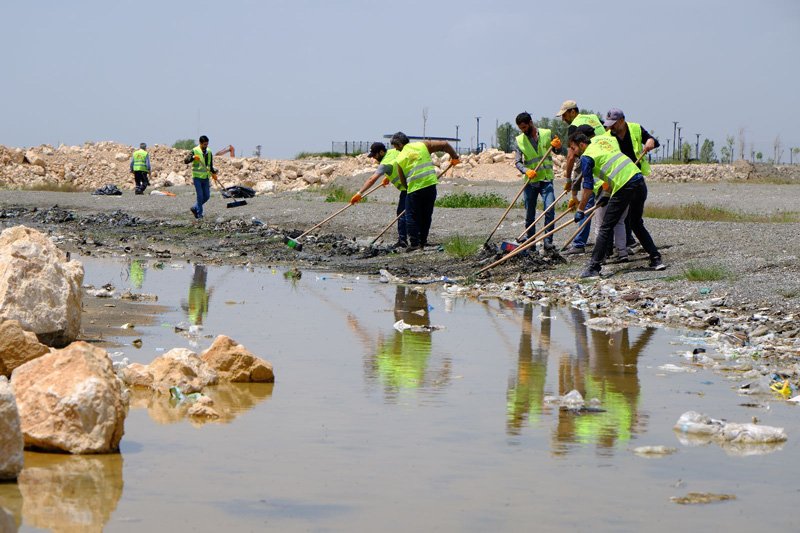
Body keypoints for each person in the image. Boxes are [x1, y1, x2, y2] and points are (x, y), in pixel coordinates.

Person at [568, 131, 666, 278]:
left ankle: (594, 267)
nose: (573, 153)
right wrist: (606, 196)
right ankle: (656, 259)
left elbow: (588, 187)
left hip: (624, 186)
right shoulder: (600, 144)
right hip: (638, 181)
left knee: (605, 227)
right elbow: (612, 171)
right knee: (636, 223)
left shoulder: (586, 157)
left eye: (573, 148)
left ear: (581, 145)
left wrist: (581, 209)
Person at [390, 132, 459, 251]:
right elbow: (445, 144)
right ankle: (422, 243)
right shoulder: (422, 145)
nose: (396, 150)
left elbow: (402, 180)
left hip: (414, 189)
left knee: (411, 216)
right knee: (426, 215)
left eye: (396, 147)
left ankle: (415, 244)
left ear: (400, 144)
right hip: (430, 185)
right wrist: (455, 157)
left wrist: (407, 190)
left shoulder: (400, 158)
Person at [603, 108, 660, 251]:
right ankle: (614, 247)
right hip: (619, 179)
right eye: (609, 124)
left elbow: (653, 141)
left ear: (622, 121)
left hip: (635, 177)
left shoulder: (635, 128)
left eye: (613, 124)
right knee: (617, 215)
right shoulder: (608, 136)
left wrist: (650, 141)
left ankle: (633, 244)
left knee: (633, 217)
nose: (611, 127)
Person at [555, 101, 605, 254]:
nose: (563, 119)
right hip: (606, 160)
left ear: (572, 112)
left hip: (592, 163)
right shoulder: (592, 118)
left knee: (587, 202)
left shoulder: (574, 126)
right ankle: (627, 242)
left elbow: (571, 157)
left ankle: (578, 244)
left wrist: (570, 182)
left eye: (564, 115)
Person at [513, 112, 562, 250]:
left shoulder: (547, 133)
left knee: (549, 209)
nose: (523, 130)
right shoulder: (519, 140)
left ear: (530, 123)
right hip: (531, 182)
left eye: (524, 127)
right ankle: (531, 244)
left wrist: (558, 146)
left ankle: (548, 242)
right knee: (530, 214)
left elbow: (558, 151)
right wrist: (526, 170)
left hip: (546, 180)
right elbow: (517, 162)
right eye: (520, 128)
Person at [351, 142, 408, 248]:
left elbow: (372, 179)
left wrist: (359, 193)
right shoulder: (393, 151)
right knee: (416, 213)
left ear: (381, 152)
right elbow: (398, 164)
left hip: (408, 189)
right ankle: (420, 239)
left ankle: (403, 240)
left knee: (402, 214)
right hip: (415, 183)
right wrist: (389, 176)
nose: (374, 158)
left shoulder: (385, 163)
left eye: (375, 155)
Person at [183, 135, 217, 219]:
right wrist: (193, 157)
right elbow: (185, 161)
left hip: (205, 177)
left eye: (207, 144)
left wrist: (213, 173)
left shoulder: (209, 151)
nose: (206, 146)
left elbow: (210, 164)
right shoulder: (195, 150)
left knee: (207, 196)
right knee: (200, 196)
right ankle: (199, 214)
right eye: (204, 144)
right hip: (197, 177)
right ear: (200, 143)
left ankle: (195, 207)